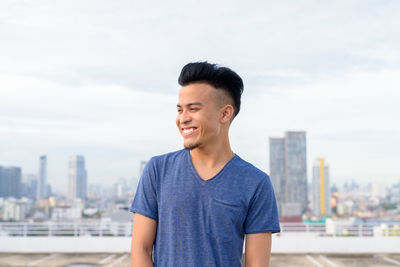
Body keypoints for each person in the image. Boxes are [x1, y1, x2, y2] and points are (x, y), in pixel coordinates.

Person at [130, 62, 280, 267]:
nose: (183, 118)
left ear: (225, 113)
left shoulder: (256, 183)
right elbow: (141, 250)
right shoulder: (157, 170)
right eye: (180, 110)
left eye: (193, 109)